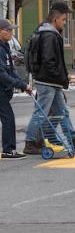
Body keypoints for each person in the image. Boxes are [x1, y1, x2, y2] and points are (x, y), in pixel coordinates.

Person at [24, 1, 75, 155]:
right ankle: (30, 143)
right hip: (47, 82)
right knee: (41, 113)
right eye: (63, 20)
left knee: (62, 112)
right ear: (55, 19)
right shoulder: (49, 35)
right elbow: (49, 62)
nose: (65, 23)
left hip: (51, 82)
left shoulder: (45, 32)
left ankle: (73, 140)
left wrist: (61, 77)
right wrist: (61, 77)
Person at [0, 19, 33, 159]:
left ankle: (9, 149)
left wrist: (23, 84)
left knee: (7, 118)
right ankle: (9, 150)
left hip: (4, 90)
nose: (11, 33)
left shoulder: (5, 47)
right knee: (8, 119)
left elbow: (11, 71)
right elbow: (2, 74)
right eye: (9, 30)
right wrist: (21, 85)